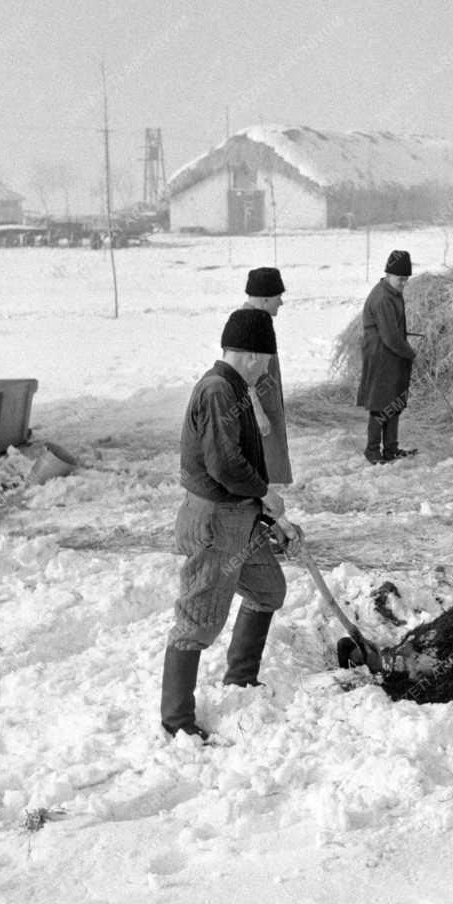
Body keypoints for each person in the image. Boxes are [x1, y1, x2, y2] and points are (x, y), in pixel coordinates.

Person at [160, 307, 300, 741]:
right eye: (266, 362)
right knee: (197, 619)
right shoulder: (220, 390)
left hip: (240, 516)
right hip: (217, 521)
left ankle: (241, 678)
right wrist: (264, 493)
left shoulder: (231, 387)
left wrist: (262, 510)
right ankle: (176, 722)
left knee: (267, 590)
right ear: (256, 356)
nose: (265, 371)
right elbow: (224, 465)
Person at [357, 249, 417, 464]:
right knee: (380, 404)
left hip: (392, 355)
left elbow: (394, 331)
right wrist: (410, 353)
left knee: (394, 401)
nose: (403, 283)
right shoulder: (383, 298)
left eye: (406, 279)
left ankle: (391, 449)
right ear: (389, 274)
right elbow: (391, 337)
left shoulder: (392, 292)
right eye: (400, 279)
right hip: (381, 355)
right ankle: (372, 452)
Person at [242, 266, 292, 485]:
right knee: (264, 471)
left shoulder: (259, 321)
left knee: (269, 470)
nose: (281, 302)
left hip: (267, 406)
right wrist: (258, 413)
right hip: (259, 412)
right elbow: (244, 377)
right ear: (264, 299)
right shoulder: (250, 324)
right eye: (278, 296)